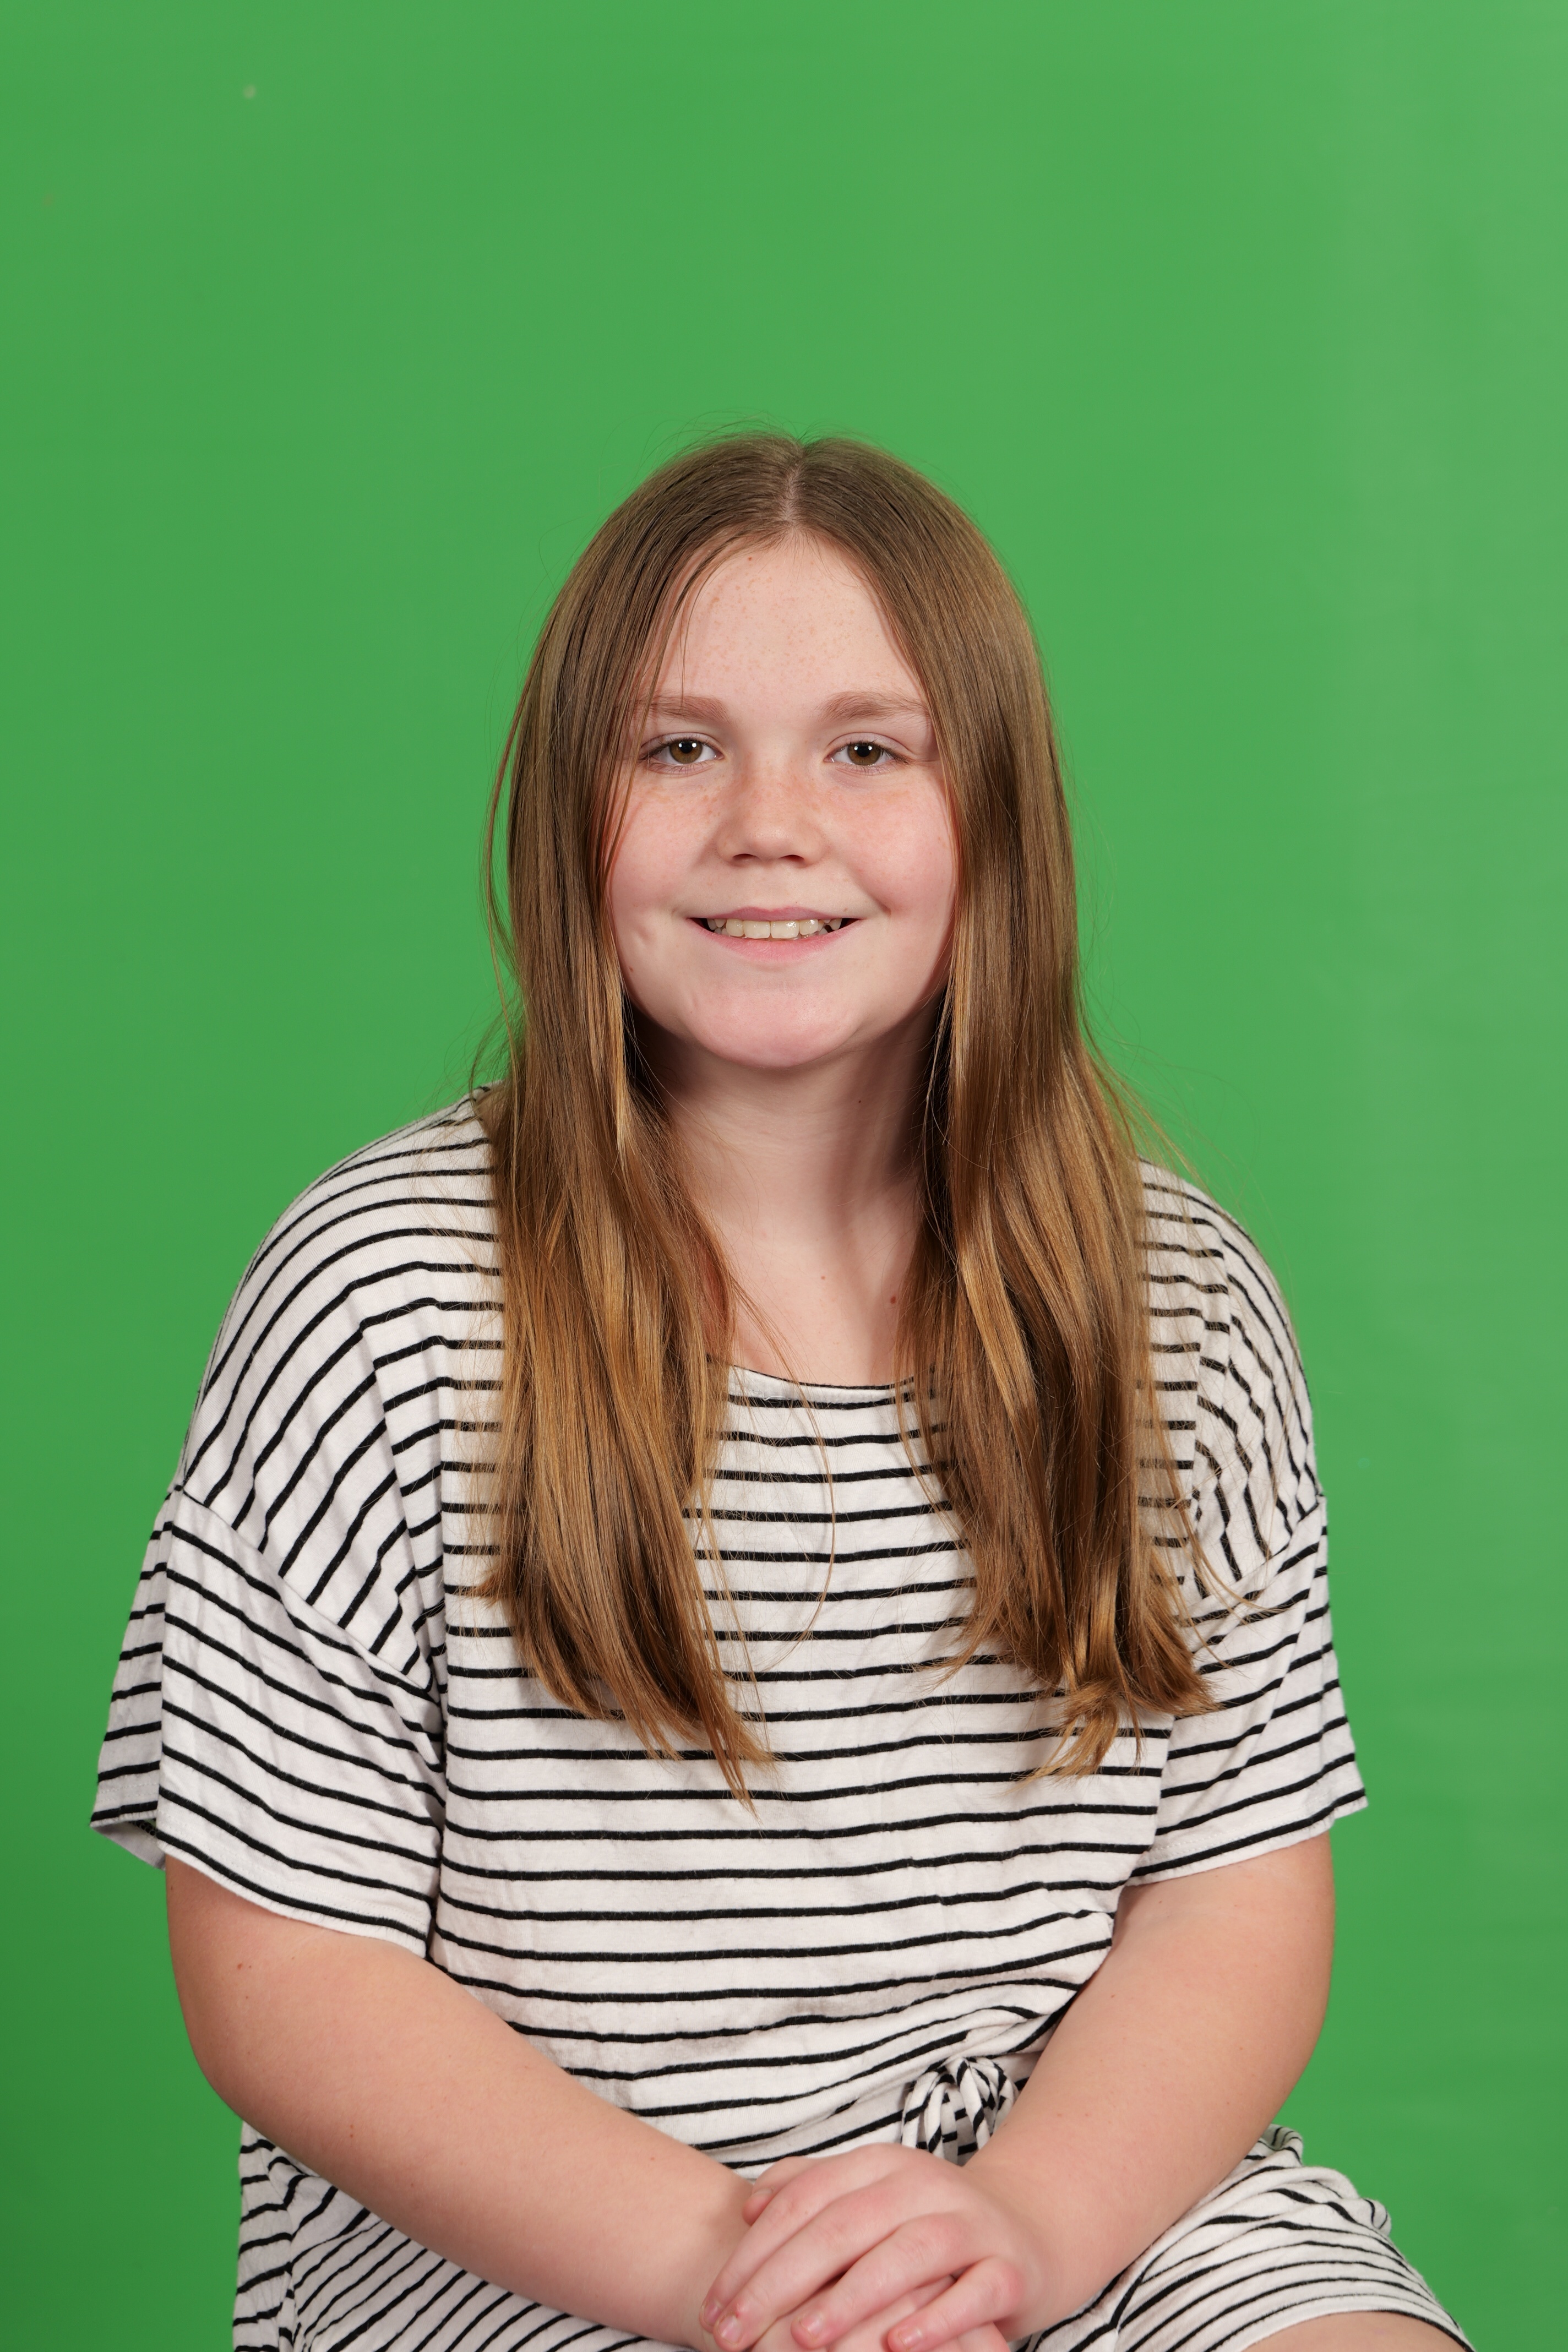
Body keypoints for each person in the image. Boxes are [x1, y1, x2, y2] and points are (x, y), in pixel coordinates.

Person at [93, 434, 1467, 2352]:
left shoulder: (1172, 1301)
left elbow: (1229, 1906)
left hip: (1055, 2192)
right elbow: (288, 1979)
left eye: (867, 749)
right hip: (552, 2240)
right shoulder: (387, 1294)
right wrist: (761, 2284)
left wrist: (1026, 2230)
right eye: (680, 748)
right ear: (569, 813)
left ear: (995, 818)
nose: (769, 823)